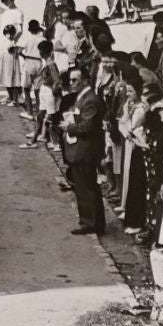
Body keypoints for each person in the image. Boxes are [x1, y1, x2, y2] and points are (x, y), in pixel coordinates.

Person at [63, 67, 107, 236]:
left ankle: (90, 222)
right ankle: (93, 221)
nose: (71, 83)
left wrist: (69, 127)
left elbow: (87, 127)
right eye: (71, 80)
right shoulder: (84, 98)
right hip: (81, 149)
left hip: (86, 150)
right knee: (85, 186)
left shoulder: (90, 100)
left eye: (75, 80)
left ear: (85, 80)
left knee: (86, 187)